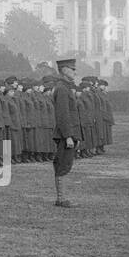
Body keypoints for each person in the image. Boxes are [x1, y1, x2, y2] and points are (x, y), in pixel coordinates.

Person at [51, 58, 79, 207]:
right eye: (72, 69)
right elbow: (63, 115)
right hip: (64, 134)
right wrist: (68, 135)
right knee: (62, 165)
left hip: (68, 133)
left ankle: (61, 197)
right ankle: (61, 198)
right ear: (64, 70)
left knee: (65, 164)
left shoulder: (66, 87)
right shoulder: (62, 88)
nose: (75, 72)